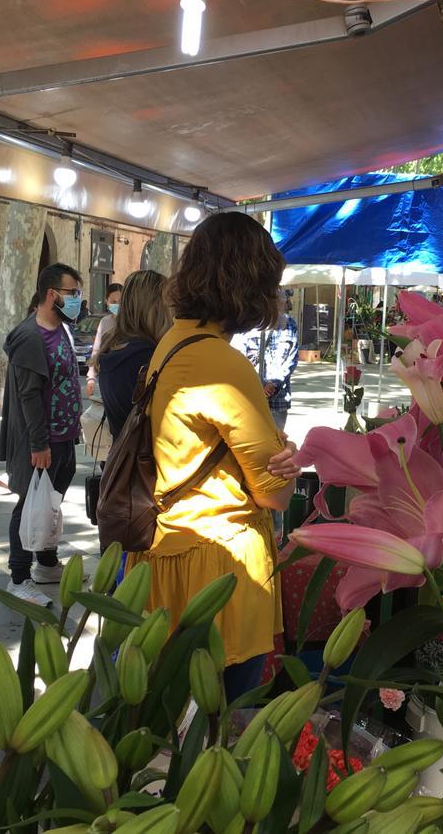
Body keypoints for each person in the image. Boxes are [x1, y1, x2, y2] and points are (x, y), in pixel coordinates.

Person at [127, 213, 302, 699]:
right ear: (251, 284)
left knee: (169, 715)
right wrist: (287, 459)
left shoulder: (171, 342)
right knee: (218, 722)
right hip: (218, 570)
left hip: (168, 553)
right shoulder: (222, 361)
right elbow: (276, 494)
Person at [0, 262, 85, 604]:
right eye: (72, 293)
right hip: (41, 442)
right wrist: (39, 443)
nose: (77, 299)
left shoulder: (61, 328)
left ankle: (46, 564)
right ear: (52, 294)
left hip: (63, 437)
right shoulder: (29, 337)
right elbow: (29, 396)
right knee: (30, 506)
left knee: (50, 503)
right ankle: (19, 577)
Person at [93, 270, 172, 439]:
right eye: (168, 304)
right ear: (156, 308)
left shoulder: (113, 347)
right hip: (146, 452)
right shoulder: (147, 356)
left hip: (121, 450)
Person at [232, 289, 300, 432]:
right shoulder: (247, 323)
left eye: (279, 301)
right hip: (249, 397)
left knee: (277, 440)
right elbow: (238, 357)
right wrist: (257, 385)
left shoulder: (289, 324)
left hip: (279, 398)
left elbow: (291, 359)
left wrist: (273, 384)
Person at [86, 282, 124, 398]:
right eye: (113, 302)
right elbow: (96, 351)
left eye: (120, 301)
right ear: (106, 301)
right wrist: (91, 378)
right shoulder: (105, 322)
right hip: (107, 377)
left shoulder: (132, 322)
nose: (117, 305)